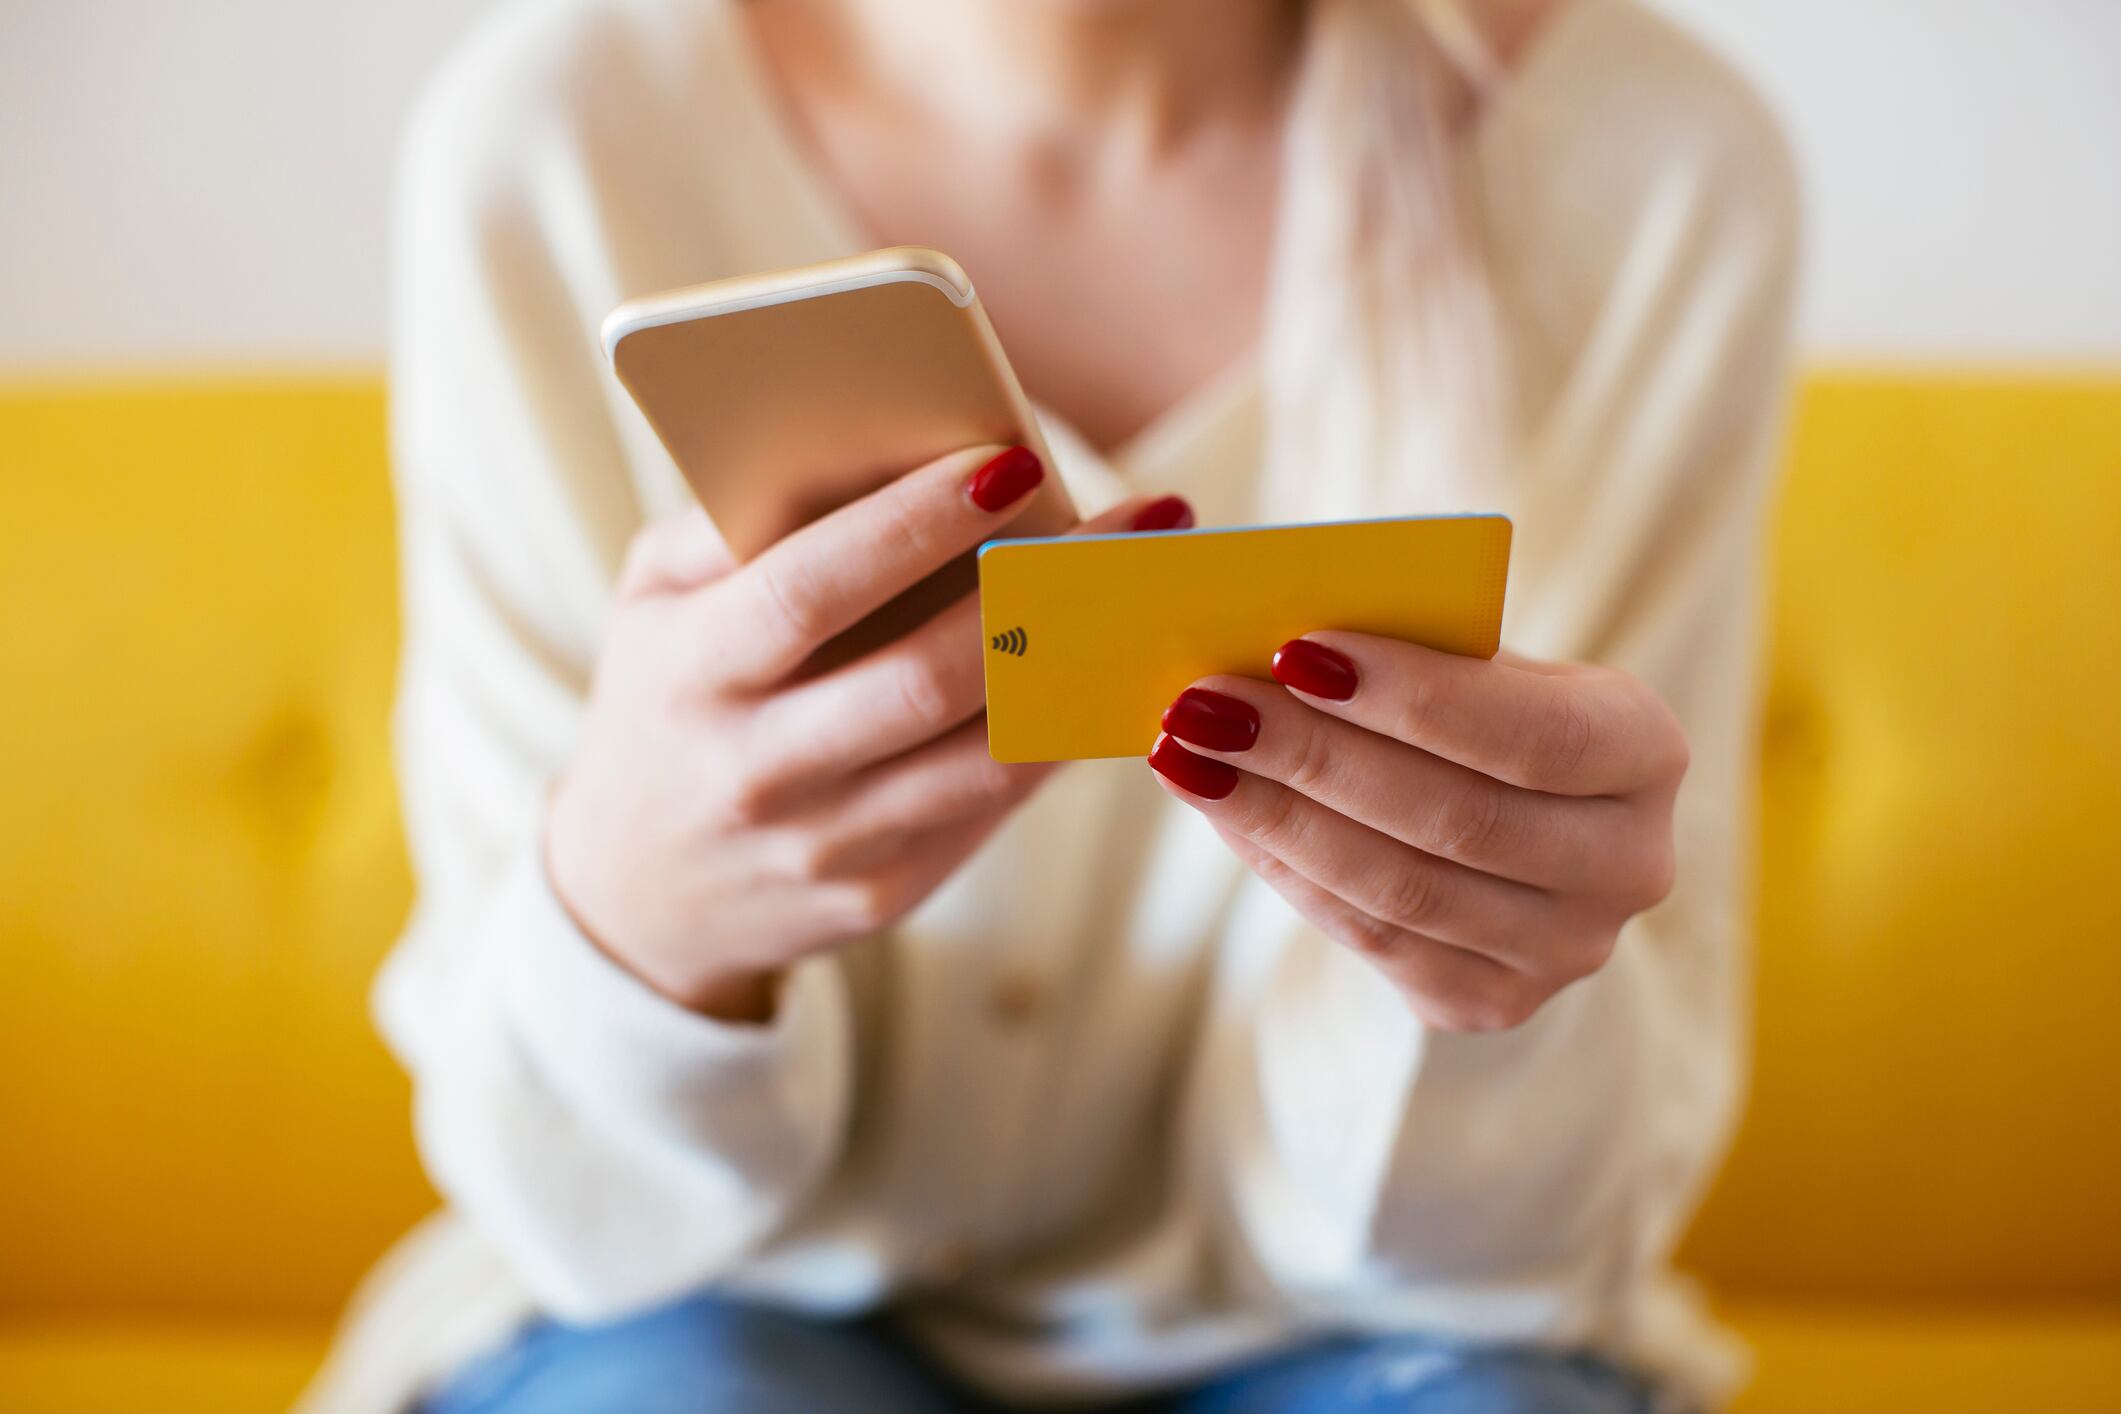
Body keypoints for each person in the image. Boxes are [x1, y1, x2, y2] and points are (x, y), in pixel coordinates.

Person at [301, 0, 1799, 1409]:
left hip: (1368, 1330)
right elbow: (573, 1212)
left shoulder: (1645, 178)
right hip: (712, 1299)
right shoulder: (560, 143)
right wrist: (641, 919)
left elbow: (1511, 1262)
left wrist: (1481, 986)